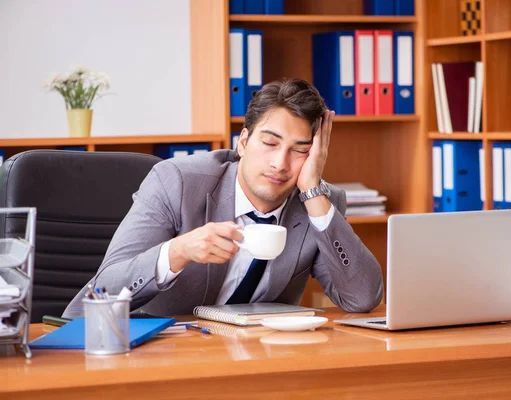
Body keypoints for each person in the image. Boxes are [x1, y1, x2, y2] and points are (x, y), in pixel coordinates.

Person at [63, 78, 383, 317]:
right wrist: (176, 252)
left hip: (256, 367)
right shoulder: (176, 181)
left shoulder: (319, 206)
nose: (280, 163)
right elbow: (98, 294)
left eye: (299, 151)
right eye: (270, 143)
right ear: (243, 142)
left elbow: (362, 297)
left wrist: (314, 192)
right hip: (157, 358)